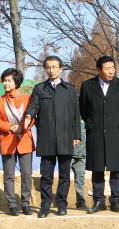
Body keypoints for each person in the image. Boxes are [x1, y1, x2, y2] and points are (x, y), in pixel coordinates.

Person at [25, 56, 81, 218]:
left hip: (65, 137)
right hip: (47, 138)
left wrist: (76, 134)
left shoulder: (69, 89)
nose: (52, 70)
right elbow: (33, 107)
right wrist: (29, 115)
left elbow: (75, 114)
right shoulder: (40, 89)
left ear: (61, 69)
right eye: (48, 67)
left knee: (64, 174)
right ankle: (45, 206)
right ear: (45, 69)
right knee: (46, 175)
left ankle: (62, 204)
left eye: (55, 67)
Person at [79, 56, 119, 214]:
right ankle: (99, 200)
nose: (111, 71)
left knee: (116, 168)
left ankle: (115, 200)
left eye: (113, 68)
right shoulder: (87, 86)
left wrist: (115, 122)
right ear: (98, 70)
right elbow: (83, 108)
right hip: (96, 131)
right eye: (107, 68)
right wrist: (93, 123)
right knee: (97, 167)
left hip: (115, 132)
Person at [0, 68, 35, 216]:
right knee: (9, 175)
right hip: (7, 141)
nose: (5, 83)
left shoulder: (27, 98)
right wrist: (11, 127)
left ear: (17, 82)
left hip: (24, 140)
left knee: (27, 174)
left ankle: (26, 203)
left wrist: (21, 127)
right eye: (4, 80)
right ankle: (11, 204)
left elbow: (32, 117)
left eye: (9, 80)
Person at [72, 121, 88, 210]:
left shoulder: (85, 117)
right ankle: (61, 201)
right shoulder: (70, 115)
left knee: (80, 179)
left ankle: (81, 202)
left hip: (81, 154)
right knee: (64, 178)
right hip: (68, 153)